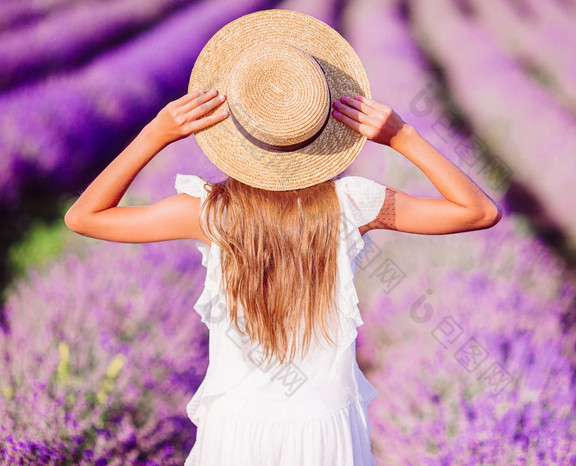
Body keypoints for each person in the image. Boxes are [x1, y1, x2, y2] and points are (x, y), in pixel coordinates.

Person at [64, 9, 501, 466]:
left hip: (235, 429)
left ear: (232, 128)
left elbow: (85, 216)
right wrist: (403, 136)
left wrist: (155, 134)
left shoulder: (208, 212)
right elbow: (479, 211)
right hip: (324, 428)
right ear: (317, 130)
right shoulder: (352, 203)